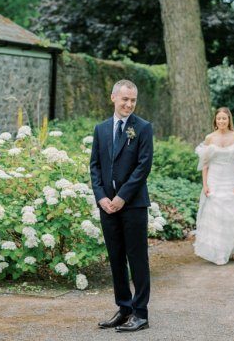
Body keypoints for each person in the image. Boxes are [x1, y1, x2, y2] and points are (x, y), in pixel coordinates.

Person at [89, 79, 153, 332]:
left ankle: (141, 313)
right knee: (116, 258)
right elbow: (94, 165)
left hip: (133, 204)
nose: (129, 104)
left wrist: (122, 197)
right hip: (107, 205)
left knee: (137, 258)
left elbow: (143, 166)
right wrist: (101, 197)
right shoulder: (101, 129)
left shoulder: (143, 128)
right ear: (113, 97)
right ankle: (124, 308)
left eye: (133, 100)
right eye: (125, 99)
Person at [193, 107, 234, 265]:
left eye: (224, 118)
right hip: (214, 180)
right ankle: (219, 252)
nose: (221, 121)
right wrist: (205, 184)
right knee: (216, 216)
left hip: (230, 180)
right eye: (219, 118)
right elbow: (205, 164)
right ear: (215, 120)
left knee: (232, 215)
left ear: (229, 120)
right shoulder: (209, 138)